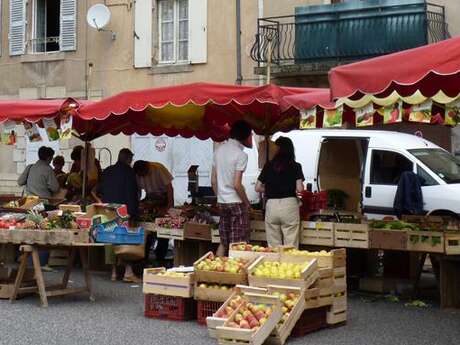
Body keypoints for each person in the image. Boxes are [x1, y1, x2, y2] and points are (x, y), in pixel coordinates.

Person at [97, 148, 141, 283]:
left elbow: (100, 190)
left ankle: (114, 273)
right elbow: (133, 194)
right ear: (128, 159)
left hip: (108, 209)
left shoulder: (107, 171)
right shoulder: (130, 172)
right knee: (126, 239)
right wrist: (134, 213)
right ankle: (128, 272)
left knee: (110, 240)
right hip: (124, 210)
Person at [212, 120, 252, 257]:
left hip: (222, 202)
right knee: (238, 244)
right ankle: (234, 275)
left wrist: (220, 196)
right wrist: (246, 202)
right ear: (245, 136)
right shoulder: (241, 155)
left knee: (224, 242)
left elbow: (213, 181)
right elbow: (237, 184)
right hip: (236, 203)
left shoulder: (218, 151)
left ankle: (216, 273)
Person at [255, 137, 304, 248]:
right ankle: (290, 264)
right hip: (289, 205)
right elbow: (300, 189)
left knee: (273, 244)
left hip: (272, 205)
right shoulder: (296, 166)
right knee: (290, 244)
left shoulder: (268, 165)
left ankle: (274, 264)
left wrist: (270, 190)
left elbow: (257, 187)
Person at [133, 160, 174, 262]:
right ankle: (143, 257)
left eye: (144, 174)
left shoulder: (158, 168)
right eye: (140, 175)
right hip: (150, 198)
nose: (143, 176)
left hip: (163, 198)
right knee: (147, 229)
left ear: (147, 168)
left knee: (163, 229)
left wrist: (169, 207)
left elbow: (169, 188)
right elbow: (137, 190)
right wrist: (137, 204)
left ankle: (160, 257)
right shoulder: (137, 174)